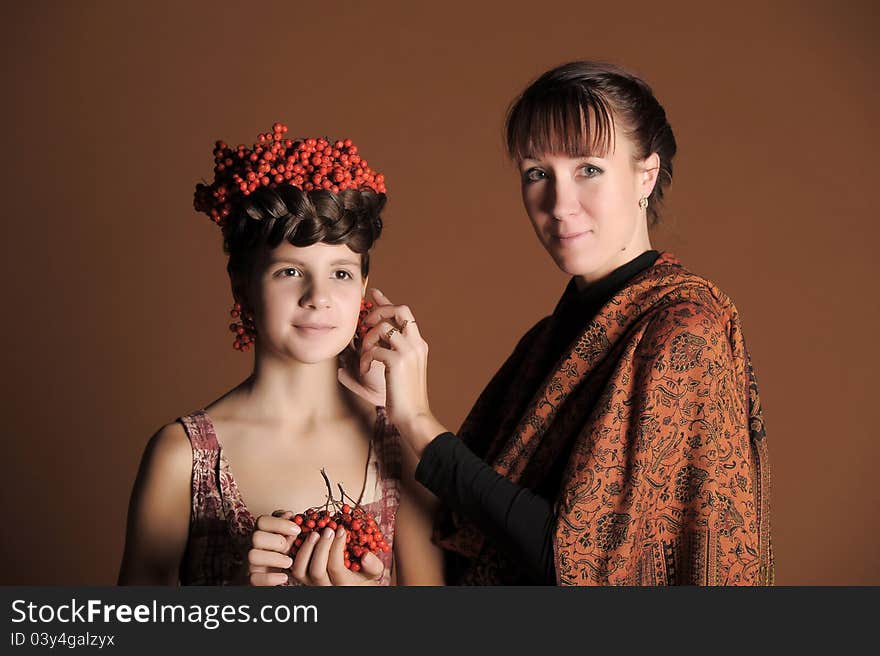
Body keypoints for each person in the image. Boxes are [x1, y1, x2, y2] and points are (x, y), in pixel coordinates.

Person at [357, 62, 773, 585]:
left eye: (588, 169)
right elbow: (464, 526)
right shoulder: (546, 340)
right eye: (537, 173)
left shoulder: (684, 329)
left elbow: (574, 563)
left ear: (645, 174)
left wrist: (417, 420)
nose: (558, 204)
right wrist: (382, 407)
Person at [117, 124, 444, 586]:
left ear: (365, 290)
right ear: (243, 289)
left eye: (342, 274)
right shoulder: (183, 458)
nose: (319, 296)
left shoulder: (400, 450)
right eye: (290, 271)